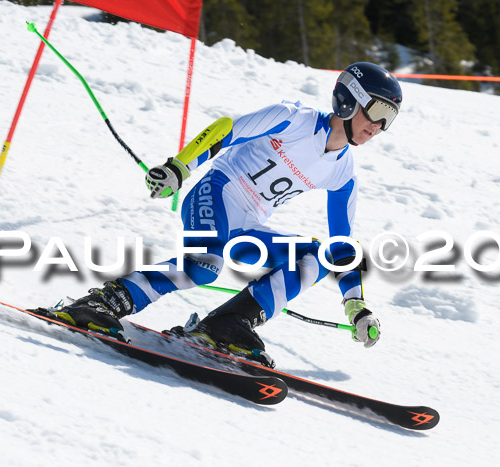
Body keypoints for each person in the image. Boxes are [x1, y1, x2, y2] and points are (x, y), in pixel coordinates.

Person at [37, 62, 402, 366]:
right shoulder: (294, 119)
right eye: (378, 111)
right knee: (203, 266)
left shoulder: (343, 172)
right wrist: (180, 167)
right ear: (348, 99)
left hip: (248, 225)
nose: (379, 126)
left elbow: (341, 245)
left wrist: (356, 305)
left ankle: (228, 324)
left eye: (390, 119)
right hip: (216, 193)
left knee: (317, 255)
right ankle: (101, 303)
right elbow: (227, 129)